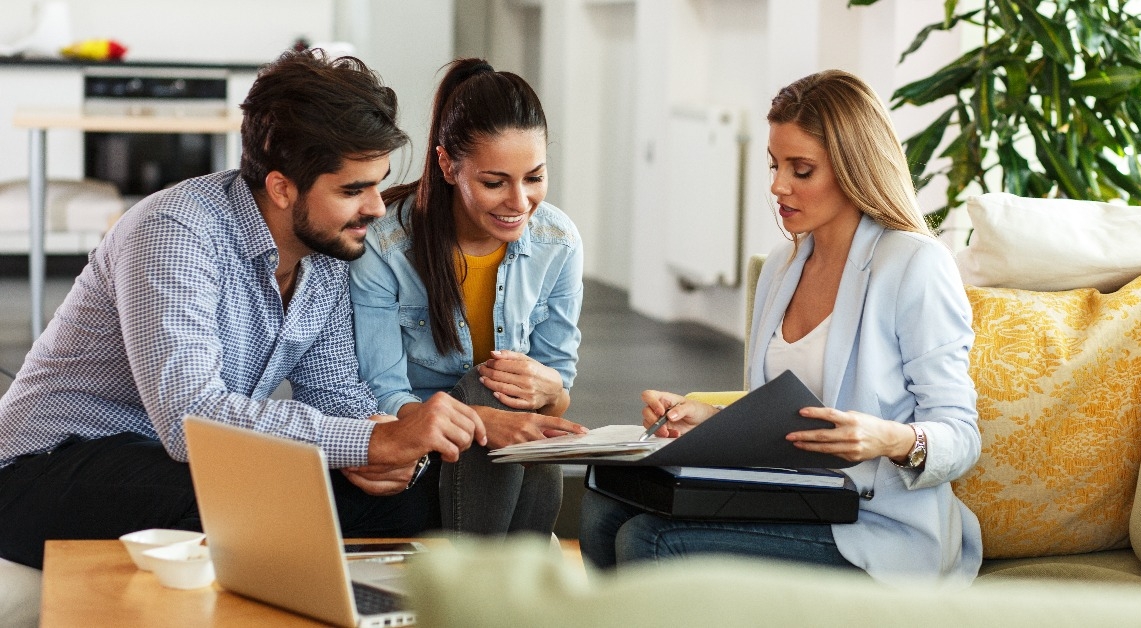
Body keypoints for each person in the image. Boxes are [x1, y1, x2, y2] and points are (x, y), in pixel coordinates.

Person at [0, 49, 487, 570]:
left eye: (376, 182)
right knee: (237, 494)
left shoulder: (322, 257)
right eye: (353, 189)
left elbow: (336, 395)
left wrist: (392, 452)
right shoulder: (174, 232)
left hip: (181, 463)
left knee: (423, 495)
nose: (374, 206)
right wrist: (369, 440)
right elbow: (192, 418)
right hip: (47, 466)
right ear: (281, 187)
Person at [579, 69, 983, 586]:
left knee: (650, 539)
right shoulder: (781, 266)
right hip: (793, 502)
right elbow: (781, 419)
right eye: (775, 165)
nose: (777, 186)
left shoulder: (914, 266)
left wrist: (887, 439)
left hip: (876, 527)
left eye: (801, 169)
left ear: (852, 169)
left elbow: (962, 436)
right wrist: (713, 419)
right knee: (601, 509)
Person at [350, 58, 586, 537]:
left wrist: (550, 391)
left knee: (516, 397)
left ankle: (500, 588)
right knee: (489, 388)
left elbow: (557, 391)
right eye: (494, 183)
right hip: (420, 449)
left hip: (505, 456)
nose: (520, 202)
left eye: (535, 177)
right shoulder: (385, 244)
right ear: (447, 165)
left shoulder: (558, 241)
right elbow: (383, 393)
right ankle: (506, 584)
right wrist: (484, 419)